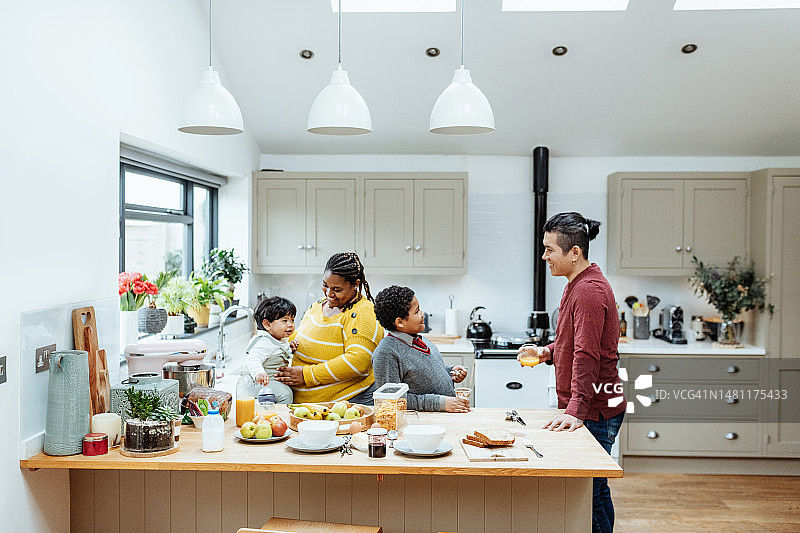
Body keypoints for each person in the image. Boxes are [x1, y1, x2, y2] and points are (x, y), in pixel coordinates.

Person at [517, 212, 626, 533]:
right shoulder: (576, 285)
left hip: (597, 410)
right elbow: (572, 340)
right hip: (592, 407)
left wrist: (577, 409)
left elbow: (588, 354)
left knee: (587, 493)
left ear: (574, 252)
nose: (544, 256)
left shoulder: (589, 292)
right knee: (595, 488)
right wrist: (546, 352)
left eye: (550, 249)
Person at [273, 252, 384, 405]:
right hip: (305, 405)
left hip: (343, 404)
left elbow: (358, 361)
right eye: (325, 285)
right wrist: (280, 341)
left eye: (337, 289)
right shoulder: (319, 304)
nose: (329, 294)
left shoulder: (363, 312)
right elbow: (301, 336)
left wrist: (307, 375)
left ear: (355, 284)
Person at [372, 285, 469, 413]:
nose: (422, 314)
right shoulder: (387, 352)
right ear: (400, 322)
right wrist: (440, 404)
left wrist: (450, 373)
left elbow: (420, 372)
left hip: (442, 417)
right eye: (417, 311)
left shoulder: (418, 339)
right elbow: (391, 400)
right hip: (421, 422)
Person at [242, 296, 297, 404]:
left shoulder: (278, 338)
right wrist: (259, 373)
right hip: (260, 383)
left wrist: (289, 347)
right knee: (285, 394)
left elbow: (276, 351)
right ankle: (281, 417)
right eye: (284, 320)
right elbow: (252, 358)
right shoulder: (263, 342)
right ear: (267, 324)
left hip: (272, 381)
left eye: (292, 320)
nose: (290, 324)